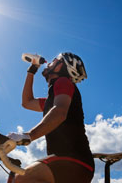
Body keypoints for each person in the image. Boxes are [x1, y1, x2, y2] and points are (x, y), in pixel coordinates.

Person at [8, 52, 95, 183]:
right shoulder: (52, 97)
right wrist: (32, 70)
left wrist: (29, 135)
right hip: (67, 163)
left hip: (74, 161)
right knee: (13, 177)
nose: (50, 63)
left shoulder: (63, 82)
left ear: (62, 66)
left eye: (55, 60)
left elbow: (59, 112)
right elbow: (27, 102)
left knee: (22, 177)